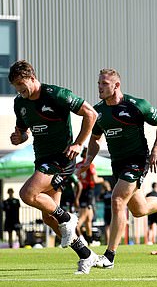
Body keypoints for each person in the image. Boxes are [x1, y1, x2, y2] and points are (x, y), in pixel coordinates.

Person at [78, 68, 157, 271]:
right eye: (98, 83)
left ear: (116, 85)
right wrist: (89, 159)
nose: (100, 87)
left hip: (137, 160)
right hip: (118, 164)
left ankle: (109, 256)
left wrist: (156, 150)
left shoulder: (136, 105)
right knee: (139, 210)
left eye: (104, 83)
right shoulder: (99, 112)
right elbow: (95, 139)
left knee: (117, 200)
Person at [8, 60, 99, 273]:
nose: (20, 90)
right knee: (49, 217)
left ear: (32, 78)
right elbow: (23, 132)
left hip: (62, 158)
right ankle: (87, 255)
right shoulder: (20, 103)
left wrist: (78, 143)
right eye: (15, 87)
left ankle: (68, 217)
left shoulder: (55, 94)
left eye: (22, 84)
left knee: (27, 194)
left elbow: (91, 114)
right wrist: (18, 137)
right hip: (42, 160)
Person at [75, 147, 104, 245]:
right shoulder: (90, 165)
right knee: (83, 218)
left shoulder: (78, 165)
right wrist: (103, 180)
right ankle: (78, 237)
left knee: (89, 219)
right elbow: (95, 180)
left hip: (80, 191)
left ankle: (90, 241)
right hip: (88, 192)